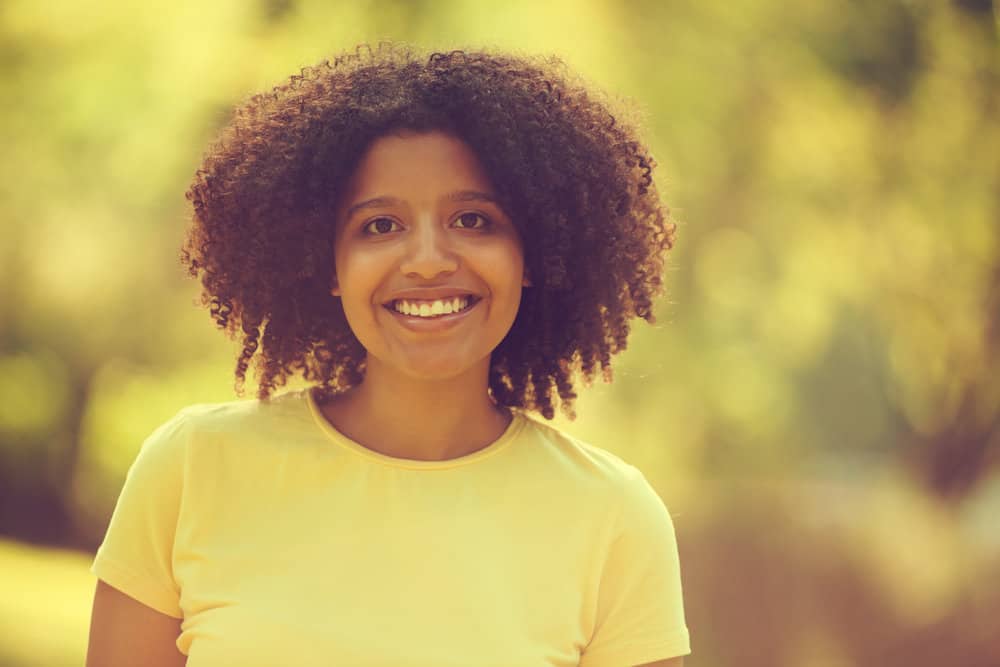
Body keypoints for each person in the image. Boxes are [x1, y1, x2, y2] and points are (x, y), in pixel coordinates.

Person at [86, 44, 690, 667]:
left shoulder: (615, 519)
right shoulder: (192, 467)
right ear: (328, 266)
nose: (428, 260)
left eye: (474, 220)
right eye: (379, 226)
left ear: (533, 253)